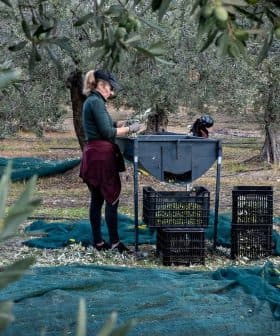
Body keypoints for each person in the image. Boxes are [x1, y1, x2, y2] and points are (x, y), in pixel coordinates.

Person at [79, 69, 140, 253]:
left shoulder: (93, 101)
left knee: (97, 199)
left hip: (93, 155)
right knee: (111, 198)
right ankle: (115, 243)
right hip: (101, 157)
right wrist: (130, 129)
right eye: (110, 88)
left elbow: (104, 126)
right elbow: (106, 133)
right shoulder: (96, 102)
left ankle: (98, 242)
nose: (112, 92)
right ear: (101, 85)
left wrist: (118, 124)